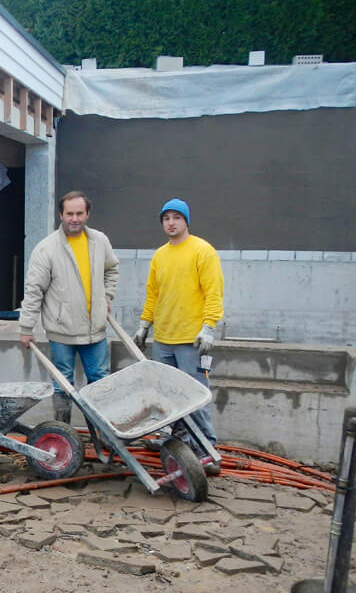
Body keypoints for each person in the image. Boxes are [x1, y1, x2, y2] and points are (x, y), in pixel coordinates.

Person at [18, 190, 119, 422]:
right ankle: (64, 430)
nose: (75, 219)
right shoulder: (47, 249)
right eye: (70, 213)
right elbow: (34, 290)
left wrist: (106, 297)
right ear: (60, 215)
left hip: (96, 331)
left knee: (100, 381)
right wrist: (26, 327)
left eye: (79, 213)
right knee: (63, 382)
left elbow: (112, 269)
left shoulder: (99, 241)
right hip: (62, 331)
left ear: (87, 214)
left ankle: (105, 433)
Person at [133, 198, 224, 447]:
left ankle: (206, 447)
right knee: (165, 394)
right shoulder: (160, 256)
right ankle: (172, 440)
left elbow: (213, 293)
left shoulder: (202, 251)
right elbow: (153, 294)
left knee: (194, 396)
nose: (171, 223)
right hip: (163, 339)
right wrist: (144, 325)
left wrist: (209, 328)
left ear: (186, 221)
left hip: (190, 340)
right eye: (166, 218)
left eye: (177, 218)